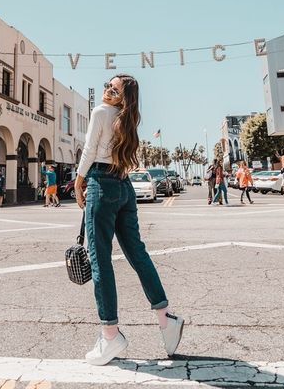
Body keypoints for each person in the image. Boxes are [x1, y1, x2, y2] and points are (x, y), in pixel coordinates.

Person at [74, 75, 184, 366]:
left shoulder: (100, 113)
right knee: (137, 253)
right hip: (124, 186)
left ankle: (110, 335)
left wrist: (78, 181)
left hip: (101, 182)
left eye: (113, 88)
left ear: (122, 97)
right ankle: (166, 319)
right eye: (106, 85)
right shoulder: (129, 120)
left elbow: (89, 149)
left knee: (100, 259)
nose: (106, 90)